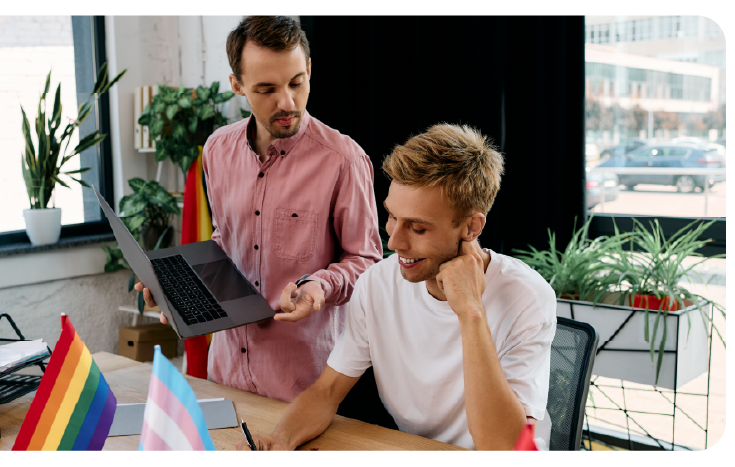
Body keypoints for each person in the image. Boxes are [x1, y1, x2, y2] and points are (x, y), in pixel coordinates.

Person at [237, 124, 557, 451]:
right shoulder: (378, 283)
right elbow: (328, 392)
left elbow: (504, 450)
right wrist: (280, 441)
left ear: (471, 226)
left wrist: (471, 312)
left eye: (418, 228)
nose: (394, 241)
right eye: (392, 217)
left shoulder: (527, 298)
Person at [135, 15, 382, 402]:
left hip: (307, 388)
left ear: (310, 70)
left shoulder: (344, 160)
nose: (287, 102)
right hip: (225, 374)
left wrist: (320, 285)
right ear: (237, 86)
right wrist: (175, 288)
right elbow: (225, 240)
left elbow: (366, 260)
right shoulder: (217, 149)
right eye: (266, 89)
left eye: (297, 83)